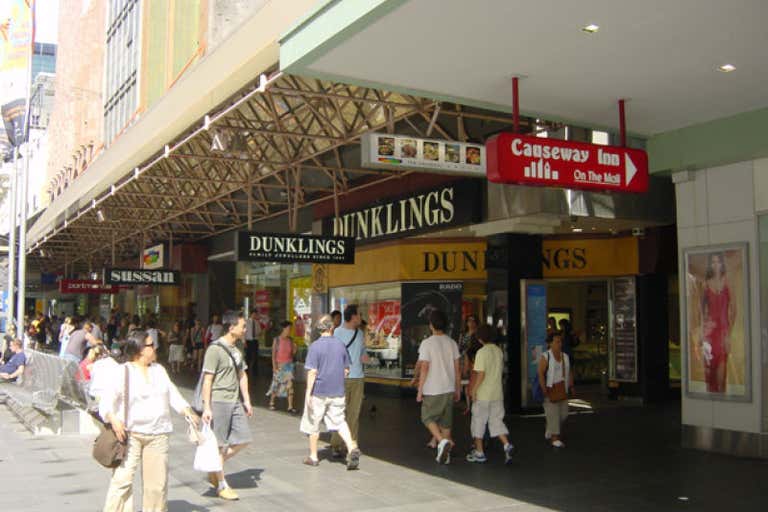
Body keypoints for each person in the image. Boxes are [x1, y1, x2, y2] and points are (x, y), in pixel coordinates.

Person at [100, 331, 198, 512]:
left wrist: (187, 411)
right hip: (130, 435)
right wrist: (114, 420)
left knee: (157, 486)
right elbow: (106, 402)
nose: (155, 348)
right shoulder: (123, 371)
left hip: (158, 434)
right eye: (151, 345)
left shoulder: (159, 370)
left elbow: (173, 393)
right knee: (122, 481)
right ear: (139, 350)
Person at [200, 312, 252, 501]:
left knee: (244, 438)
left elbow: (242, 374)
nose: (245, 329)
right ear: (231, 328)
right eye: (242, 326)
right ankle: (222, 485)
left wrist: (246, 400)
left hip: (235, 400)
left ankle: (214, 466)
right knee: (220, 444)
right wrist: (207, 407)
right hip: (219, 401)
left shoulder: (237, 348)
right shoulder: (215, 350)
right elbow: (208, 380)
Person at [299, 314, 360, 469]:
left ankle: (313, 457)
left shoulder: (315, 347)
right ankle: (352, 447)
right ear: (332, 328)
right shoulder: (340, 345)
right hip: (337, 390)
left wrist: (308, 393)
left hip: (319, 391)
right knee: (339, 421)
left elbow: (312, 372)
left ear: (319, 329)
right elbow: (347, 370)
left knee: (314, 423)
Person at [416, 309, 461, 464]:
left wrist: (420, 390)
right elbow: (457, 369)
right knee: (446, 422)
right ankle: (445, 455)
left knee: (426, 416)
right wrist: (458, 388)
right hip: (448, 388)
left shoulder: (427, 344)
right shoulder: (452, 343)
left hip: (433, 389)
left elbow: (424, 368)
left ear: (431, 325)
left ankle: (442, 442)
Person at [466, 325, 515, 464]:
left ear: (480, 338)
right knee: (496, 421)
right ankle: (506, 444)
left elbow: (480, 374)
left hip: (483, 395)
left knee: (478, 423)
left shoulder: (482, 352)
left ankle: (479, 453)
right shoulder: (498, 351)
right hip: (497, 394)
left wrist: (474, 390)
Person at [330, 304, 367, 458]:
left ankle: (352, 444)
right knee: (340, 412)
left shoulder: (359, 333)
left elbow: (362, 351)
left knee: (354, 413)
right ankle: (336, 443)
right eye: (359, 314)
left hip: (358, 377)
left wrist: (365, 357)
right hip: (342, 378)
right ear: (352, 317)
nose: (361, 317)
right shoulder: (337, 333)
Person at [701, 252, 735, 393]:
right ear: (710, 265)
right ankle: (711, 407)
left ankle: (722, 403)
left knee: (722, 373)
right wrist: (704, 328)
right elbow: (701, 310)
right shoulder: (705, 284)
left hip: (723, 331)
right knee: (710, 372)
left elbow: (734, 310)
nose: (716, 265)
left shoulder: (728, 282)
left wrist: (729, 333)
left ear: (722, 264)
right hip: (710, 332)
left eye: (718, 262)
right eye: (713, 262)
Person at [537, 332, 575, 448]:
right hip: (550, 388)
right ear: (550, 344)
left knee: (563, 414)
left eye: (560, 341)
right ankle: (555, 438)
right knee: (553, 414)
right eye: (557, 342)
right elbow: (541, 374)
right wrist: (544, 389)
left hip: (562, 388)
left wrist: (571, 386)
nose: (560, 344)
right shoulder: (546, 356)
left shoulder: (565, 357)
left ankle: (550, 428)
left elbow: (569, 372)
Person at [267, 321, 297, 412]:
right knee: (276, 384)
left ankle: (290, 406)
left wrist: (295, 348)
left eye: (290, 329)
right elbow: (273, 355)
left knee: (290, 386)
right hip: (279, 365)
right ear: (283, 329)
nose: (289, 331)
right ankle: (271, 402)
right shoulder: (277, 340)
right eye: (288, 328)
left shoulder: (290, 340)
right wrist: (274, 367)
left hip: (288, 365)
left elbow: (292, 353)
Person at [245, 310, 261, 376]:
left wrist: (258, 333)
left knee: (255, 356)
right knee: (248, 356)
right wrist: (244, 341)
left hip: (255, 340)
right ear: (251, 314)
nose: (254, 316)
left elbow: (259, 331)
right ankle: (247, 370)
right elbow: (244, 332)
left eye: (255, 314)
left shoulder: (257, 322)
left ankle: (255, 371)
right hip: (249, 340)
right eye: (253, 314)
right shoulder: (247, 322)